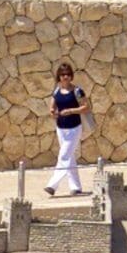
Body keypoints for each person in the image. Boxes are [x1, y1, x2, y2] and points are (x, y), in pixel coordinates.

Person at [46, 63, 87, 194]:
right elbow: (52, 106)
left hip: (74, 128)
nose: (66, 77)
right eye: (63, 75)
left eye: (68, 74)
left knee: (64, 156)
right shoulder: (57, 91)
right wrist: (52, 112)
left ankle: (52, 185)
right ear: (59, 76)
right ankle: (76, 187)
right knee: (69, 157)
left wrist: (71, 111)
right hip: (61, 129)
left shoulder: (77, 91)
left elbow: (86, 107)